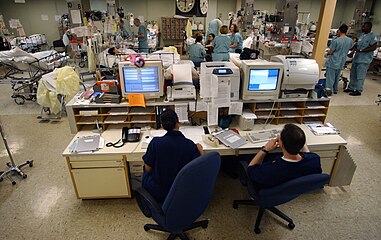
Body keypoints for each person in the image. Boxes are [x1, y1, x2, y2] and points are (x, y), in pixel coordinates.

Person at [142, 109, 204, 203]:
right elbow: (199, 168)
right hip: (182, 192)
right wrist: (200, 151)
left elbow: (148, 168)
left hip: (158, 193)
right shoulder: (190, 145)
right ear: (178, 122)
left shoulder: (155, 143)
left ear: (162, 125)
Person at [246, 124, 322, 190]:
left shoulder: (271, 169)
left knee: (247, 157)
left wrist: (265, 149)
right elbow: (308, 155)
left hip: (267, 190)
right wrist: (299, 140)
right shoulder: (315, 159)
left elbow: (250, 170)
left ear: (281, 144)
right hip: (290, 187)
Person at [345, 22, 378, 96]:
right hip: (357, 58)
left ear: (369, 27)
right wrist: (352, 52)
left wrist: (362, 50)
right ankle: (351, 87)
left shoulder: (372, 36)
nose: (362, 28)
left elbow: (374, 47)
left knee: (360, 75)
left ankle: (358, 90)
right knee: (353, 74)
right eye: (362, 26)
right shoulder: (362, 35)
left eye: (364, 27)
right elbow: (357, 45)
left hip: (364, 59)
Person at [325, 24, 353, 94]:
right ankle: (335, 89)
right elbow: (349, 48)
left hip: (334, 61)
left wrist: (327, 53)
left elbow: (331, 51)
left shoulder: (336, 41)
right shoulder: (349, 40)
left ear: (339, 31)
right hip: (342, 61)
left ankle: (329, 90)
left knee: (330, 77)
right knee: (337, 76)